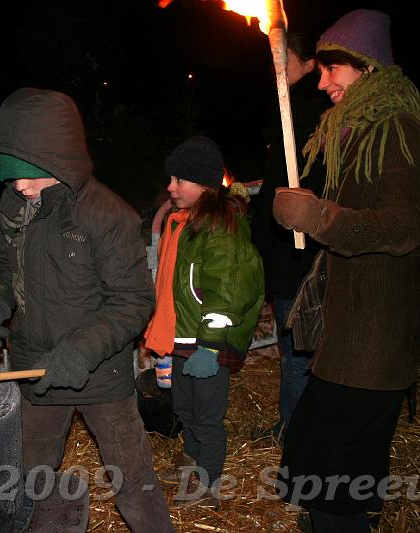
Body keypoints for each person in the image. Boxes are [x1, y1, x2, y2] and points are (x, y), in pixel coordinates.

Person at [271, 9, 420, 532]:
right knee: (321, 454)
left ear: (367, 66)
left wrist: (319, 216)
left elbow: (402, 227)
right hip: (351, 334)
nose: (321, 81)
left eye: (332, 69)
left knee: (334, 469)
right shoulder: (364, 132)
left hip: (377, 338)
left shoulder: (402, 131)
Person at [0, 87, 174, 532]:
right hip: (34, 369)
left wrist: (80, 351)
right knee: (30, 476)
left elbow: (133, 301)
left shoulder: (106, 215)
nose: (19, 185)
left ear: (59, 162)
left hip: (101, 375)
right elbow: (6, 268)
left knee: (132, 480)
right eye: (10, 176)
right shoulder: (16, 205)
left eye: (29, 174)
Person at [144, 135, 264, 509]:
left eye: (180, 180)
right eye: (170, 179)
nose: (170, 187)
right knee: (184, 409)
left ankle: (208, 484)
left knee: (207, 417)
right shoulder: (183, 223)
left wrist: (211, 346)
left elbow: (227, 289)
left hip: (206, 341)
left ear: (204, 184)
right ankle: (192, 466)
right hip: (182, 337)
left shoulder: (220, 230)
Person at [251, 32, 331, 442]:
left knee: (297, 348)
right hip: (304, 246)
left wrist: (262, 233)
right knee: (302, 346)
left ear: (310, 64)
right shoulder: (306, 111)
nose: (276, 67)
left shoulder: (301, 113)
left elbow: (289, 185)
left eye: (285, 59)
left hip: (296, 250)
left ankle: (294, 432)